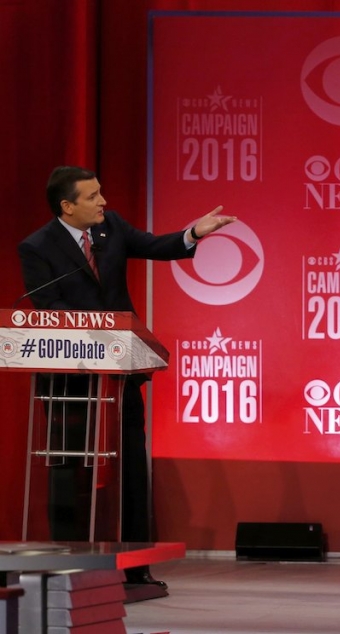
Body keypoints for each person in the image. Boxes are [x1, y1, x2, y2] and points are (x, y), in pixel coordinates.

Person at [18, 166, 236, 589]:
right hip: (70, 380)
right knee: (68, 468)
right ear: (67, 206)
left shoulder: (111, 226)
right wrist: (99, 332)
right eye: (93, 196)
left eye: (102, 192)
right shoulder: (36, 247)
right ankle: (68, 569)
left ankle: (135, 571)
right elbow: (48, 309)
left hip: (122, 371)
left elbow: (156, 246)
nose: (103, 202)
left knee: (131, 467)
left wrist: (195, 233)